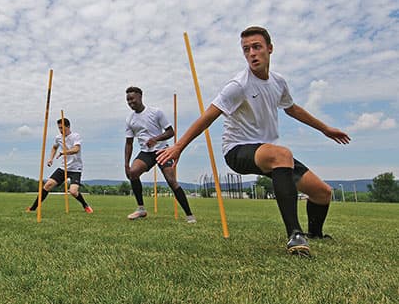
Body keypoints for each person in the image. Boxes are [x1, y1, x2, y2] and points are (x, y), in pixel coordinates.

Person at [157, 26, 350, 256]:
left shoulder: (278, 83)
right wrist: (179, 146)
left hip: (269, 153)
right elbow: (208, 117)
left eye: (256, 47)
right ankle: (295, 235)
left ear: (270, 48)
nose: (252, 54)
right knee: (282, 154)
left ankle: (314, 234)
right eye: (246, 49)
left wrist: (326, 129)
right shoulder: (238, 85)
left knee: (322, 192)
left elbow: (293, 110)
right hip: (237, 150)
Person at [124, 86, 196, 223]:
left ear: (140, 96)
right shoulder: (130, 119)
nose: (130, 102)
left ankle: (189, 215)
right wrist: (126, 164)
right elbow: (128, 143)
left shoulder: (156, 112)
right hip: (146, 152)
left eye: (132, 99)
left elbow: (170, 132)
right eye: (128, 100)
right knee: (133, 173)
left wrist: (156, 139)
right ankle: (141, 209)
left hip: (162, 150)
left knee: (171, 181)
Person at [26, 118, 93, 214]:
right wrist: (50, 158)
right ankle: (32, 208)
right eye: (59, 128)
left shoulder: (75, 136)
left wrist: (63, 152)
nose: (61, 130)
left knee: (73, 191)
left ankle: (85, 205)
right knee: (48, 185)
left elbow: (76, 149)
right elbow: (54, 147)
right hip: (63, 168)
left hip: (75, 168)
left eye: (62, 128)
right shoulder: (58, 138)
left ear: (68, 126)